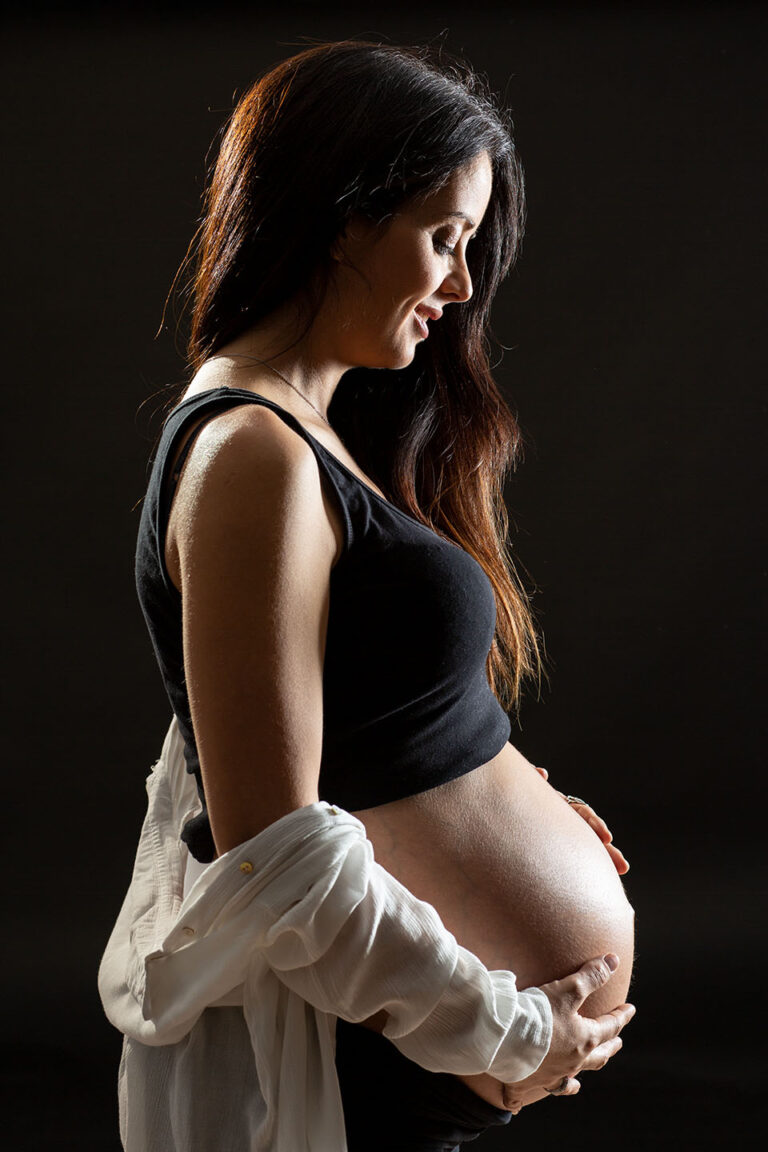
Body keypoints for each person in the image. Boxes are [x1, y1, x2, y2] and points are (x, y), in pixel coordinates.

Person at [101, 38, 636, 1151]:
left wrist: (499, 788)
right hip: (380, 1060)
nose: (462, 284)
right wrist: (506, 1032)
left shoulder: (306, 436)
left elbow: (356, 717)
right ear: (346, 218)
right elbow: (276, 850)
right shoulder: (252, 451)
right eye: (443, 238)